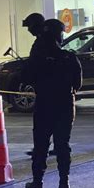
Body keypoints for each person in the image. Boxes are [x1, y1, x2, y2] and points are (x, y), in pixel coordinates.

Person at [24, 19, 82, 188]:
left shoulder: (37, 57)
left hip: (44, 105)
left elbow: (26, 78)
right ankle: (64, 184)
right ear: (60, 35)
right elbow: (77, 84)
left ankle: (38, 182)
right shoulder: (69, 57)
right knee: (62, 146)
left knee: (40, 146)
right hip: (64, 105)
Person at [22, 13, 58, 157]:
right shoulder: (47, 40)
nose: (28, 30)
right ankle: (49, 147)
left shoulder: (43, 42)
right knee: (52, 121)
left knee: (42, 123)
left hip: (47, 89)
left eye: (29, 26)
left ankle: (41, 150)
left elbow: (38, 65)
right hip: (49, 88)